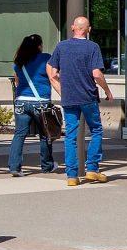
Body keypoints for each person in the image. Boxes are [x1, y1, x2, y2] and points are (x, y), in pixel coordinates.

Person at [48, 14, 111, 186]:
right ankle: (92, 169)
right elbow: (96, 74)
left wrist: (64, 92)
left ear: (73, 28)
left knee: (70, 135)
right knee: (96, 130)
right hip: (88, 96)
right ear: (88, 30)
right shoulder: (93, 47)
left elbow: (53, 74)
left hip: (69, 99)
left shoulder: (61, 47)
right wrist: (106, 90)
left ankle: (72, 176)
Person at [8, 31, 58, 176]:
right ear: (39, 46)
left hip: (21, 102)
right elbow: (53, 75)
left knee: (19, 134)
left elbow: (17, 82)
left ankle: (14, 167)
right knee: (45, 134)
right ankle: (47, 165)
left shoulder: (19, 62)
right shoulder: (46, 58)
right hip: (40, 102)